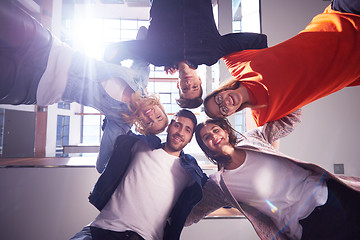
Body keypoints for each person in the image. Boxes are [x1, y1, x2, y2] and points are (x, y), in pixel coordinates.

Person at [0, 0, 168, 173]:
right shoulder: (140, 77)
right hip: (49, 49)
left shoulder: (120, 123)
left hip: (39, 86)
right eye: (159, 117)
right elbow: (144, 35)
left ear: (142, 125)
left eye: (150, 124)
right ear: (160, 108)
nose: (151, 117)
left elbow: (102, 165)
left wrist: (133, 150)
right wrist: (171, 58)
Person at [186, 109, 360, 240]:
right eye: (206, 137)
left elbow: (292, 117)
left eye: (215, 130)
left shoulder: (253, 138)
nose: (213, 136)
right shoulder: (219, 184)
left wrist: (248, 99)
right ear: (206, 147)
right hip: (308, 226)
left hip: (332, 194)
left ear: (224, 130)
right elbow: (192, 213)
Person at [204, 0, 360, 127]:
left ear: (220, 91)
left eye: (218, 99)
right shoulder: (264, 117)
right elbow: (266, 148)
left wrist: (188, 64)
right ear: (230, 114)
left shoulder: (237, 63)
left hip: (342, 17)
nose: (225, 103)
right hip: (355, 64)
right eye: (223, 110)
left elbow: (252, 41)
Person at [69, 109, 208, 240]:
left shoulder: (190, 172)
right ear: (168, 127)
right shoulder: (141, 145)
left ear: (190, 138)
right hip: (101, 229)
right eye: (177, 125)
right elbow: (115, 123)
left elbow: (220, 189)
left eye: (187, 130)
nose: (180, 132)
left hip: (144, 237)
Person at [104, 0, 268, 108]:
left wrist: (122, 84)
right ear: (200, 80)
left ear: (178, 85)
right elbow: (258, 41)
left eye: (185, 88)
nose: (189, 83)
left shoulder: (157, 57)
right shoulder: (211, 54)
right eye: (195, 87)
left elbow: (113, 51)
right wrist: (255, 82)